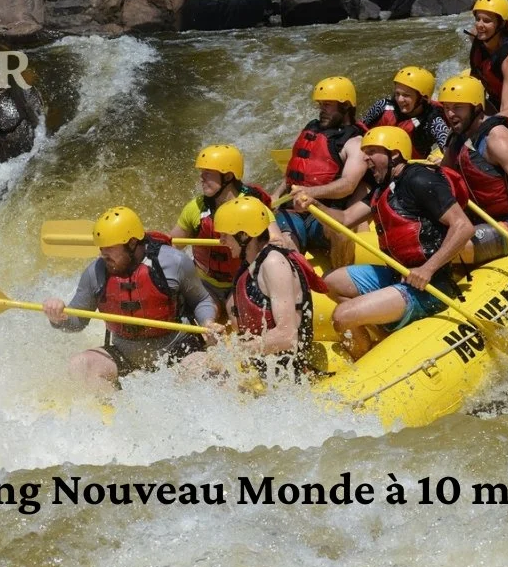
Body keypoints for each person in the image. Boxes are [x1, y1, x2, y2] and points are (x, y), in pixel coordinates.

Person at [295, 127, 474, 359]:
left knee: (342, 316)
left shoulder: (420, 179)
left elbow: (463, 226)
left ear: (395, 154)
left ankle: (362, 356)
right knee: (330, 281)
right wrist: (313, 203)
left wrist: (428, 270)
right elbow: (346, 218)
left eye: (372, 152)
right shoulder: (383, 189)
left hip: (430, 286)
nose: (365, 158)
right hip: (397, 275)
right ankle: (379, 330)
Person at [42, 206, 218, 394]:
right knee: (80, 365)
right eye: (101, 247)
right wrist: (57, 316)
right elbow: (77, 322)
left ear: (133, 243)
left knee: (203, 367)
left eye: (110, 247)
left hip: (177, 350)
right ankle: (114, 414)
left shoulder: (174, 262)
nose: (103, 253)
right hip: (126, 354)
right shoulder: (95, 273)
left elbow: (201, 300)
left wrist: (208, 322)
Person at [192, 196, 327, 377]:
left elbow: (287, 337)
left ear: (244, 235)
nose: (221, 241)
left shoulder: (273, 264)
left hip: (288, 374)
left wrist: (233, 353)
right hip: (263, 367)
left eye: (225, 235)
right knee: (190, 364)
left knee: (195, 369)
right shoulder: (249, 266)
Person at [438, 75, 508, 265]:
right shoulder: (458, 137)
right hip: (481, 220)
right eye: (447, 108)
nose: (450, 114)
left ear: (477, 108)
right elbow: (441, 178)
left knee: (448, 249)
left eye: (457, 108)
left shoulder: (496, 138)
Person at [168, 144, 282, 306]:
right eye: (201, 173)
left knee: (236, 318)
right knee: (203, 317)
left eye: (208, 173)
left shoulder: (251, 206)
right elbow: (171, 245)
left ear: (228, 176)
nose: (201, 177)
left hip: (244, 279)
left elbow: (275, 237)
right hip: (206, 284)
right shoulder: (196, 208)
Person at [275, 76, 367, 258]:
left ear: (346, 106)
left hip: (324, 212)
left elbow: (348, 185)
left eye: (327, 105)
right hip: (293, 209)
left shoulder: (355, 142)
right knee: (285, 243)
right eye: (320, 104)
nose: (321, 110)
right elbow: (297, 171)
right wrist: (276, 195)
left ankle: (340, 280)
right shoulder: (311, 129)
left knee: (340, 232)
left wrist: (311, 194)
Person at [361, 66, 451, 160]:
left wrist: (442, 161)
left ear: (422, 98)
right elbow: (360, 129)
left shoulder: (433, 122)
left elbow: (448, 152)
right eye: (397, 94)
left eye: (406, 95)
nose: (400, 100)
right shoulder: (382, 106)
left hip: (409, 170)